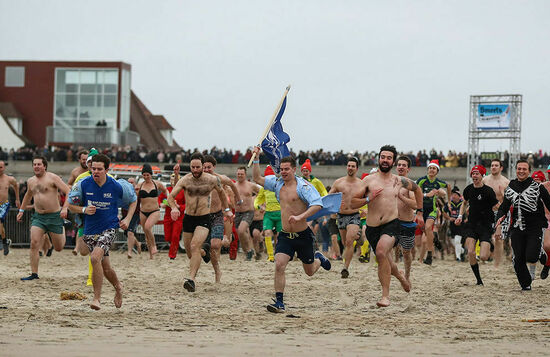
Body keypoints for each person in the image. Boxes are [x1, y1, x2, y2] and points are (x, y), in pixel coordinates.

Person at [251, 149, 331, 313]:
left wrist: (301, 216)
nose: (284, 172)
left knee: (309, 271)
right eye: (281, 169)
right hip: (286, 235)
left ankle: (319, 260)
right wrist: (257, 159)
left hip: (303, 236)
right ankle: (279, 302)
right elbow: (257, 178)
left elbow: (317, 204)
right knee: (279, 265)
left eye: (287, 169)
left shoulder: (304, 186)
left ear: (294, 169)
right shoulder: (277, 183)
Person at [351, 145, 424, 307]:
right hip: (372, 228)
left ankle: (385, 296)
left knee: (381, 252)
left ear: (393, 161)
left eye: (389, 158)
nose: (385, 160)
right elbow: (353, 201)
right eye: (382, 157)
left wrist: (419, 212)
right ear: (379, 159)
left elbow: (418, 190)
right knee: (387, 260)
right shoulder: (368, 181)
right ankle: (400, 276)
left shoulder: (399, 181)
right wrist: (368, 199)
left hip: (392, 224)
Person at [68, 154, 137, 310]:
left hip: (109, 227)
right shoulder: (83, 184)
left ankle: (96, 299)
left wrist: (127, 219)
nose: (96, 172)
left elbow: (133, 200)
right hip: (91, 229)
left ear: (107, 169)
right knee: (105, 268)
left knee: (94, 258)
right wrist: (84, 209)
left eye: (99, 169)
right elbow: (70, 205)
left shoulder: (116, 185)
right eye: (93, 169)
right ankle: (118, 286)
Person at [168, 153, 231, 292]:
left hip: (204, 218)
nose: (195, 170)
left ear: (203, 166)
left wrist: (227, 209)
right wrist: (173, 208)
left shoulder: (212, 180)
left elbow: (222, 193)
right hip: (189, 218)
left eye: (198, 167)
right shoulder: (186, 180)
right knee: (191, 253)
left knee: (195, 246)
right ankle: (204, 253)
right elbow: (171, 196)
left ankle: (191, 279)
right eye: (193, 167)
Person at [496, 160, 550, 290]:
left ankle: (541, 254)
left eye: (524, 169)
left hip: (535, 227)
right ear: (516, 170)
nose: (521, 171)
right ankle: (525, 284)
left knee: (531, 256)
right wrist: (500, 217)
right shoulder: (511, 187)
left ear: (529, 171)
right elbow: (504, 206)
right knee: (518, 258)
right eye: (519, 169)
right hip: (517, 227)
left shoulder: (538, 187)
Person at [17, 156, 70, 280]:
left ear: (44, 166)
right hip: (38, 217)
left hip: (54, 216)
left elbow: (68, 191)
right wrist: (21, 210)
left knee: (58, 247)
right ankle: (34, 274)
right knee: (34, 243)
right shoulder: (30, 181)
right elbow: (27, 195)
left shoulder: (53, 178)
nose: (36, 166)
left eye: (39, 164)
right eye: (34, 164)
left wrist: (65, 208)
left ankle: (62, 228)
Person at [455, 165, 498, 285]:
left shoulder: (488, 191)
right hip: (472, 225)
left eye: (477, 173)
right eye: (473, 173)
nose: (474, 175)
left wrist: (503, 214)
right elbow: (464, 203)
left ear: (482, 175)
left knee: (484, 257)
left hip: (485, 225)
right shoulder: (468, 189)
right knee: (470, 252)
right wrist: (460, 216)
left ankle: (491, 245)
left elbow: (496, 205)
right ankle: (479, 280)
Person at [202, 155, 239, 282]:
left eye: (209, 167)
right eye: (204, 167)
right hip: (204, 216)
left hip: (218, 214)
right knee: (210, 247)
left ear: (214, 167)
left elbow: (233, 185)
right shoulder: (199, 180)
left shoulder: (220, 179)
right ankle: (211, 262)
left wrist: (238, 198)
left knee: (216, 245)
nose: (206, 169)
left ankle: (217, 271)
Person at [328, 157, 364, 278]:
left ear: (357, 168)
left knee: (349, 241)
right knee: (344, 242)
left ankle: (345, 268)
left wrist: (365, 209)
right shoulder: (339, 182)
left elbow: (367, 199)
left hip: (354, 215)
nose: (350, 168)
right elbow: (329, 197)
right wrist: (335, 206)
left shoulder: (361, 184)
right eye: (349, 166)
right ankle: (358, 236)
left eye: (353, 166)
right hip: (341, 215)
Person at [416, 159, 451, 265]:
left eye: (434, 168)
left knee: (428, 228)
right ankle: (432, 245)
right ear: (427, 170)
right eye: (430, 168)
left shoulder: (438, 182)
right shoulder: (421, 180)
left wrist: (448, 202)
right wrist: (427, 195)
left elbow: (448, 186)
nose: (432, 170)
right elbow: (415, 193)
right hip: (420, 210)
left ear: (437, 171)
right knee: (418, 241)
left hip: (432, 210)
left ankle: (430, 255)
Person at [482, 158, 510, 268]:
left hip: (501, 213)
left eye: (496, 165)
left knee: (498, 239)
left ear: (501, 168)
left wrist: (503, 194)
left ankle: (497, 265)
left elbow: (510, 201)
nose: (493, 167)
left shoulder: (506, 182)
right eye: (492, 165)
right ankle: (486, 256)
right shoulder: (485, 180)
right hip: (487, 213)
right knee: (488, 237)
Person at [395, 156, 417, 283]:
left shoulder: (410, 185)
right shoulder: (391, 182)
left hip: (407, 222)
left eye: (404, 165)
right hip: (392, 221)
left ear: (408, 169)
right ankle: (396, 272)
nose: (401, 167)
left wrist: (401, 196)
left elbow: (415, 204)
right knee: (386, 249)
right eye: (399, 165)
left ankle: (407, 275)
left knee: (406, 252)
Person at [138, 164, 168, 259]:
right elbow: (134, 197)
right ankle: (151, 255)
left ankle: (154, 246)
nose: (146, 177)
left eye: (148, 175)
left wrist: (165, 202)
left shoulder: (157, 184)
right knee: (146, 233)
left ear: (151, 174)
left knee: (147, 227)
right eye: (144, 175)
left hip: (155, 211)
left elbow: (166, 192)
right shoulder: (140, 185)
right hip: (143, 211)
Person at [254, 166, 282, 262]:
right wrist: (260, 207)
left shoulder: (279, 186)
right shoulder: (263, 188)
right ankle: (270, 256)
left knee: (280, 235)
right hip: (268, 215)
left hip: (280, 214)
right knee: (267, 233)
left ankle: (278, 254)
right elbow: (256, 202)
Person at [234, 166, 260, 260]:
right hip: (237, 212)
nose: (240, 175)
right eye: (238, 174)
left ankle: (249, 251)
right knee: (240, 234)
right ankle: (248, 251)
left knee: (241, 230)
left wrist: (258, 203)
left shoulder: (250, 185)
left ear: (245, 175)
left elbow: (261, 192)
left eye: (242, 174)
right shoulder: (234, 186)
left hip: (248, 211)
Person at [159, 167, 185, 260]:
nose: (173, 181)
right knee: (167, 236)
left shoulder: (182, 191)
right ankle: (172, 246)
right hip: (168, 216)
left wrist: (179, 207)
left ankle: (172, 255)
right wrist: (164, 204)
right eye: (172, 179)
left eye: (175, 179)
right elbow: (161, 200)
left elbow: (187, 204)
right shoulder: (167, 190)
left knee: (175, 235)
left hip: (179, 217)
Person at [0, 160, 20, 255]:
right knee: (1, 227)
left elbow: (16, 186)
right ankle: (5, 241)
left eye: (1, 167)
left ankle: (3, 242)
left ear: (4, 168)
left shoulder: (9, 179)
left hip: (4, 205)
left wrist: (17, 199)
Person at [442, 186, 465, 262]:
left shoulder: (463, 203)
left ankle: (458, 257)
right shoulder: (449, 204)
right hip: (452, 224)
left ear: (459, 196)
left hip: (461, 224)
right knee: (452, 241)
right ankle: (462, 251)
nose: (453, 196)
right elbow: (444, 212)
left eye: (455, 195)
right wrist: (449, 218)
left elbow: (469, 211)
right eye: (452, 195)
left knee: (458, 240)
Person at [123, 177, 142, 259]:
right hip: (125, 215)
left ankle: (129, 251)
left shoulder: (137, 192)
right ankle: (138, 243)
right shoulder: (124, 191)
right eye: (129, 182)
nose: (130, 184)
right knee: (127, 233)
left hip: (135, 214)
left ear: (135, 184)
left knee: (130, 232)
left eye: (132, 182)